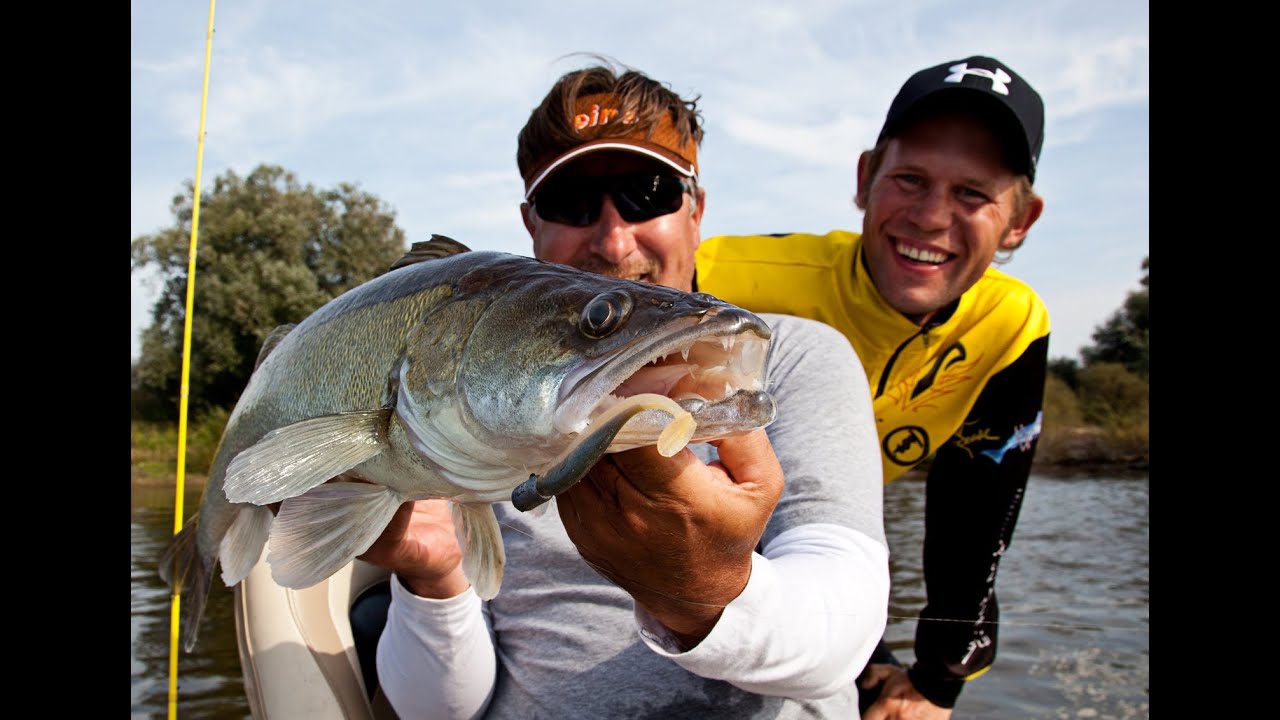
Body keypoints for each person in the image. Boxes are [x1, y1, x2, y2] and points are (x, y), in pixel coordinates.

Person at [363, 61, 892, 718]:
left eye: (648, 193)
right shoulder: (468, 398)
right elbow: (438, 712)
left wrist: (706, 591)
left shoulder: (793, 358)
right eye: (571, 203)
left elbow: (844, 631)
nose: (613, 242)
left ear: (696, 210)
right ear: (531, 226)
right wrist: (436, 577)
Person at [694, 55, 1050, 719]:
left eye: (973, 195)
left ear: (1020, 220)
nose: (932, 217)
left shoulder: (1012, 326)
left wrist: (936, 683)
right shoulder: (725, 276)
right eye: (910, 179)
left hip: (829, 542)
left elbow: (974, 520)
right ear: (864, 179)